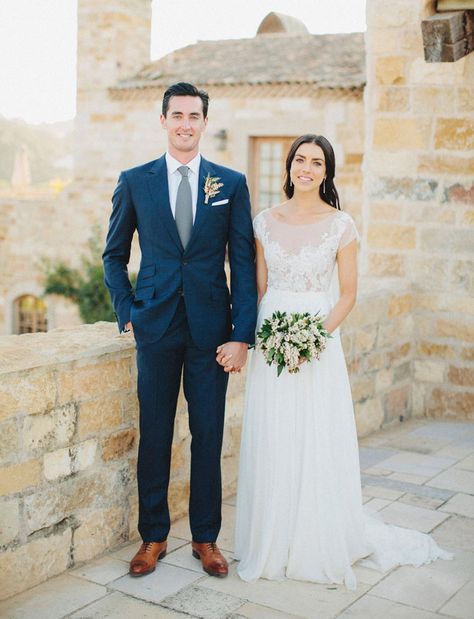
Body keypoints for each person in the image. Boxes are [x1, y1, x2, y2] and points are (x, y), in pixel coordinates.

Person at [234, 134, 451, 589]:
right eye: (300, 160)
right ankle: (274, 536)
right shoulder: (264, 222)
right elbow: (259, 288)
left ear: (327, 172)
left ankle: (316, 538)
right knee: (275, 434)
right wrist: (268, 337)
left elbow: (349, 294)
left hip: (318, 340)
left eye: (316, 162)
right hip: (273, 339)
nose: (307, 168)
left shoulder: (341, 225)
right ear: (289, 166)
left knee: (315, 435)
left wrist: (312, 338)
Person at [103, 82, 257, 578]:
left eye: (194, 115)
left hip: (213, 334)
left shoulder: (229, 183)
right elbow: (114, 255)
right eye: (177, 115)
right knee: (154, 434)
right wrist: (126, 308)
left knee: (207, 434)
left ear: (205, 123)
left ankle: (206, 539)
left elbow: (244, 266)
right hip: (156, 327)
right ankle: (153, 537)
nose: (186, 123)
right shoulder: (135, 180)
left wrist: (242, 333)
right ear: (164, 121)